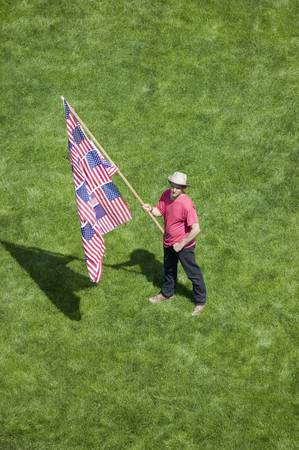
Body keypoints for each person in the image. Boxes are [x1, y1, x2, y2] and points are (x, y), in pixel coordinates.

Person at [142, 171, 207, 316]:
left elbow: (196, 229)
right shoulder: (166, 195)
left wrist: (181, 244)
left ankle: (200, 302)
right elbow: (160, 211)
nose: (174, 189)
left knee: (193, 274)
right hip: (168, 242)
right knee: (169, 270)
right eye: (173, 185)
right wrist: (151, 209)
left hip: (184, 246)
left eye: (178, 187)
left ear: (183, 188)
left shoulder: (186, 203)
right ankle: (167, 293)